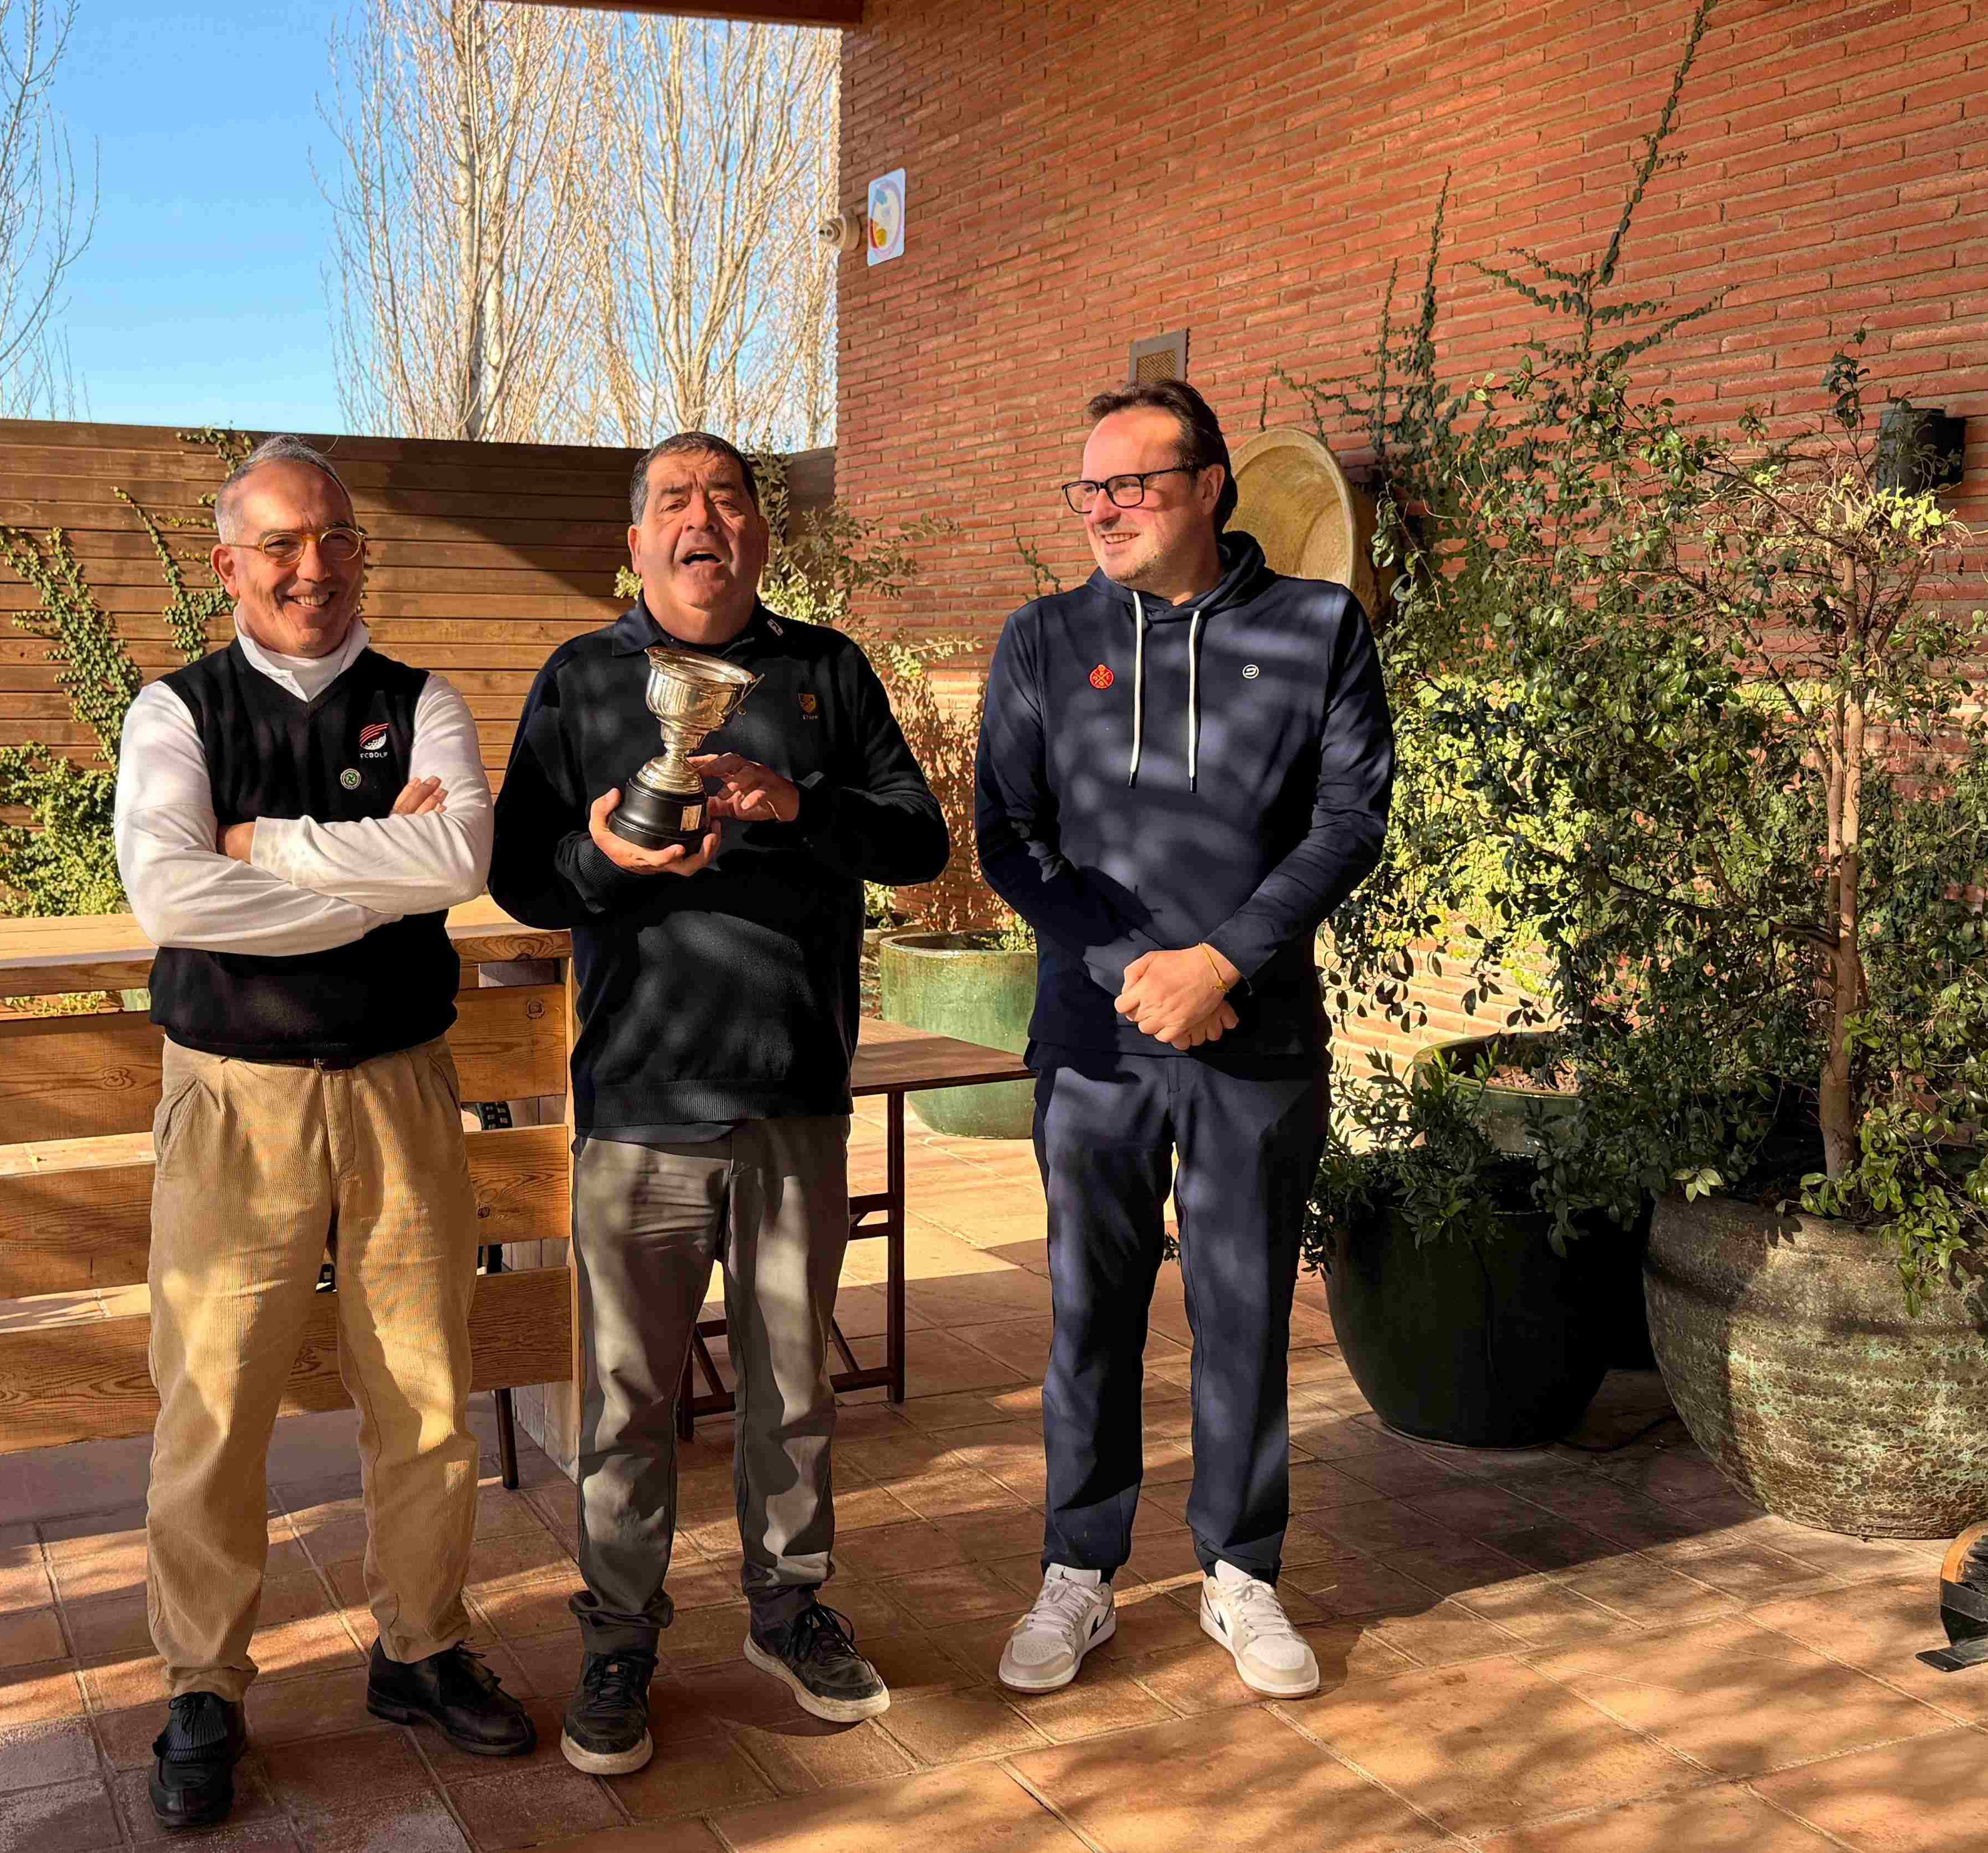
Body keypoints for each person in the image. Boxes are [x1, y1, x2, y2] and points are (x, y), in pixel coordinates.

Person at [489, 432, 950, 1775]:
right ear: (635, 543)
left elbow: (917, 843)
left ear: (758, 532)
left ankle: (787, 1610)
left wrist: (799, 803)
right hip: (638, 1100)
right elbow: (519, 873)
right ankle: (617, 1639)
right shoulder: (581, 679)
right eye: (676, 501)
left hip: (793, 1091)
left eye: (729, 497)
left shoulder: (827, 671)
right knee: (626, 1399)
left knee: (790, 1386)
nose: (706, 519)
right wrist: (605, 857)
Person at [114, 434, 536, 1830]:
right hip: (232, 1100)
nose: (314, 568)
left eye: (336, 539)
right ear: (228, 565)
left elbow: (458, 859)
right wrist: (375, 886)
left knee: (424, 1394)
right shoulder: (175, 712)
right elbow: (169, 898)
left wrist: (263, 845)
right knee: (212, 1402)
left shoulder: (423, 702)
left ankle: (420, 1649)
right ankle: (202, 1684)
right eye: (281, 544)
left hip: (403, 1089)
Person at [975, 380, 1393, 1701]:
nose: (1101, 511)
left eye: (1131, 486)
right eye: (1087, 489)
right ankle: (1077, 1570)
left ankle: (1240, 1571)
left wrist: (1220, 964)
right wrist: (1134, 976)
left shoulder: (1318, 627)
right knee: (1088, 1315)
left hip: (1253, 1042)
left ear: (1209, 486)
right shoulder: (1044, 638)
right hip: (1096, 1046)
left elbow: (1348, 822)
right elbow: (1008, 838)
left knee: (1243, 1310)